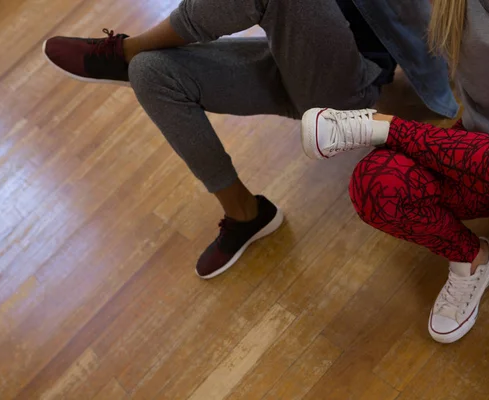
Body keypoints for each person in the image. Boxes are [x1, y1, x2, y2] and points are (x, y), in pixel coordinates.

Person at [42, 0, 458, 279]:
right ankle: (246, 214)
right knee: (151, 73)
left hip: (361, 83)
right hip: (297, 57)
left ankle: (125, 50)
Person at [300, 0, 489, 343]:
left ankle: (384, 128)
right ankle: (472, 259)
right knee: (377, 184)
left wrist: (395, 133)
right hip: (472, 156)